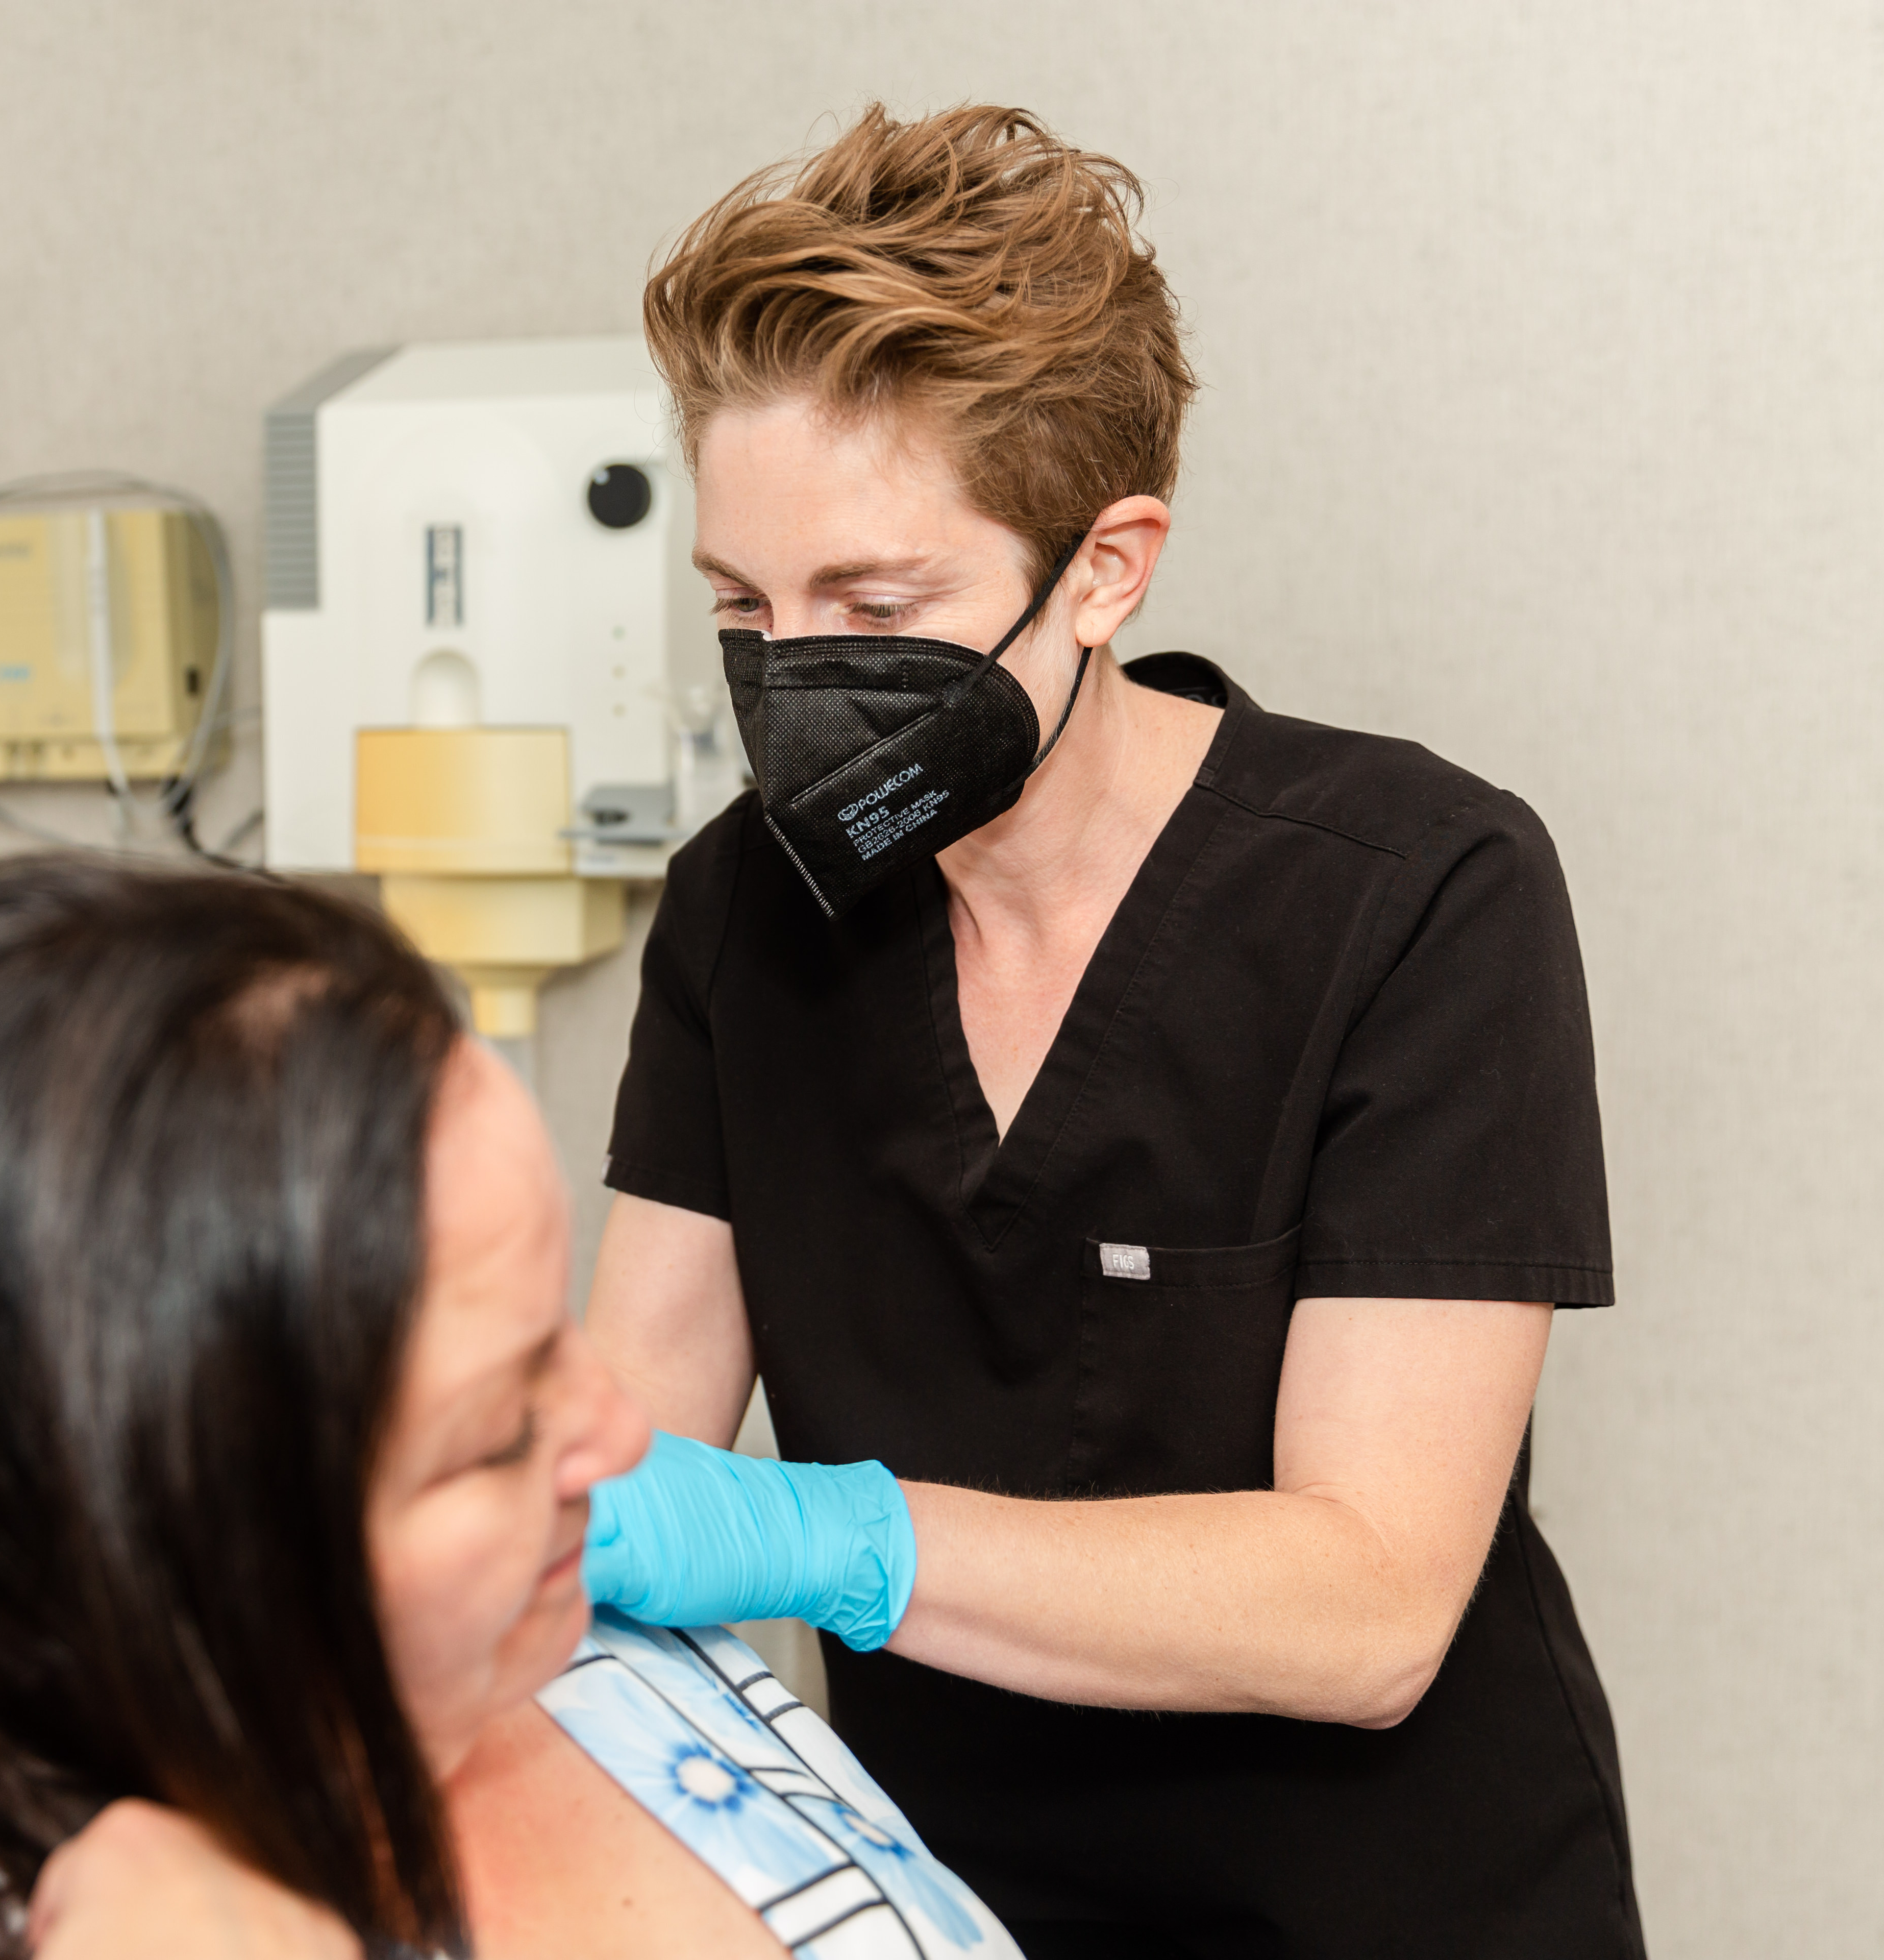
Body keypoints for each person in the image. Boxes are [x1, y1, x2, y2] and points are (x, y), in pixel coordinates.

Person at [579, 105, 1643, 1956]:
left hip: (1393, 1907)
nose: (789, 680)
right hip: (947, 1901)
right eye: (744, 608)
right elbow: (618, 1452)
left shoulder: (1416, 893)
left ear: (1104, 569)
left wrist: (828, 1538)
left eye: (876, 606)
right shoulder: (746, 912)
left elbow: (1371, 1606)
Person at [0, 854, 1015, 1960]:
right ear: (163, 1548)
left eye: (550, 1334)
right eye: (496, 1428)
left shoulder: (596, 1645)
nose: (623, 1437)